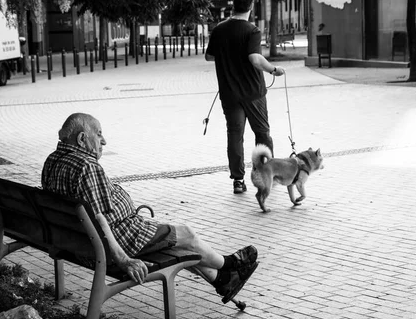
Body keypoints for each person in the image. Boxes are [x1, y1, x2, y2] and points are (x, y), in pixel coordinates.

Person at [41, 113, 259, 303]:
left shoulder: (52, 160)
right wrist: (124, 260)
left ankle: (222, 280)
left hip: (74, 242)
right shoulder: (87, 167)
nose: (104, 141)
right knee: (186, 234)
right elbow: (100, 221)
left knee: (177, 245)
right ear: (81, 139)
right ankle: (231, 264)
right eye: (98, 134)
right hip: (113, 243)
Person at [205, 0, 284, 194]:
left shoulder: (219, 29)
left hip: (230, 94)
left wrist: (228, 56)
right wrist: (273, 69)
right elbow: (255, 59)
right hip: (253, 93)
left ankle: (238, 181)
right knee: (262, 134)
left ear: (233, 4)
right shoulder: (252, 30)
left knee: (235, 135)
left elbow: (209, 56)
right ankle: (268, 174)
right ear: (251, 5)